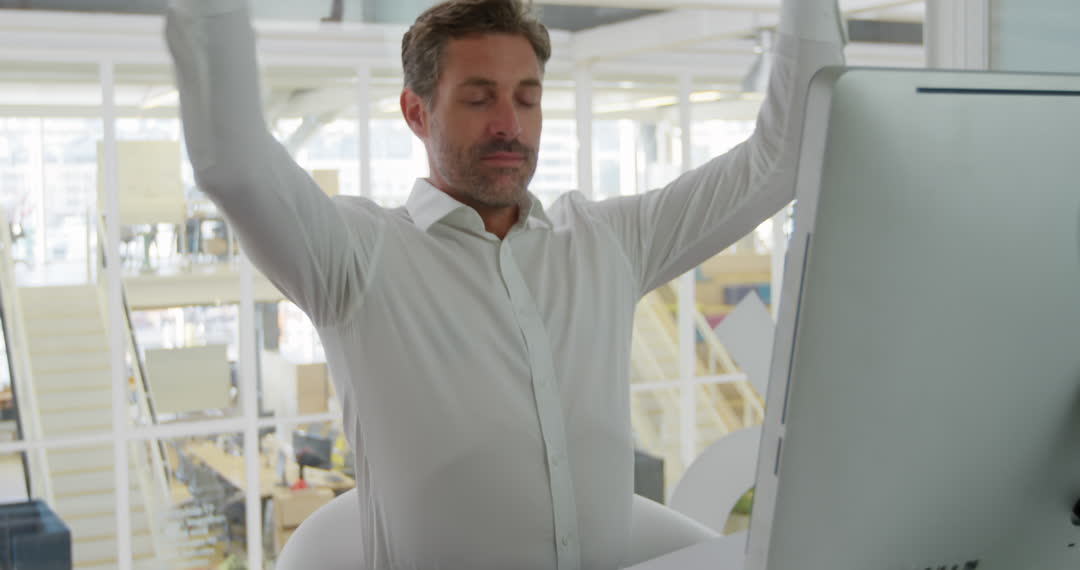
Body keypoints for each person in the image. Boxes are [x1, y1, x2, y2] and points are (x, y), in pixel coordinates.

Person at [164, 0, 845, 568]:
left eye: (527, 98)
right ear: (416, 113)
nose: (509, 126)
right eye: (478, 98)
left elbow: (782, 158)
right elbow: (234, 163)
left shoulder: (605, 242)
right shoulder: (357, 258)